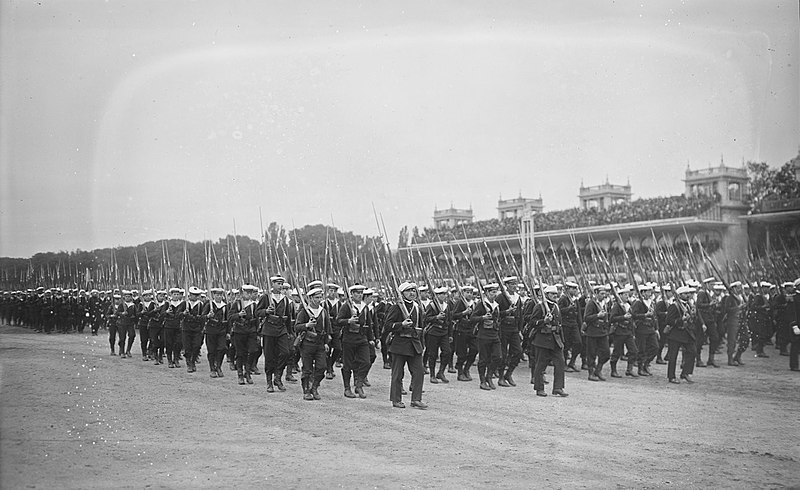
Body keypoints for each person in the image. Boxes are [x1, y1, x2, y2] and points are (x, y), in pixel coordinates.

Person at [384, 282, 427, 409]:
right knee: (398, 374)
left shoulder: (417, 307)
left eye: (413, 291)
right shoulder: (396, 307)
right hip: (400, 344)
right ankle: (396, 399)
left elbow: (421, 327)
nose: (412, 293)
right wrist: (401, 324)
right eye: (408, 291)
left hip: (414, 344)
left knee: (419, 372)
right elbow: (387, 326)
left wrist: (422, 345)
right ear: (402, 294)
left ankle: (416, 399)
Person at [256, 275, 293, 392]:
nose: (280, 286)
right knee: (269, 356)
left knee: (285, 353)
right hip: (269, 329)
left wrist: (290, 331)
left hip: (281, 329)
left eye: (281, 284)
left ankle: (278, 376)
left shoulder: (285, 299)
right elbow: (257, 312)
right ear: (272, 284)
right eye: (278, 283)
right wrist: (266, 311)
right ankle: (269, 381)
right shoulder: (266, 297)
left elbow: (289, 316)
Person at [336, 284, 374, 398]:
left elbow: (369, 324)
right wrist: (348, 321)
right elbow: (338, 321)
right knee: (347, 364)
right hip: (349, 338)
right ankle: (347, 388)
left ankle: (359, 384)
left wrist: (371, 339)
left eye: (361, 293)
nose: (359, 295)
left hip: (362, 338)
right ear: (351, 294)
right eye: (357, 293)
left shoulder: (365, 307)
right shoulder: (346, 306)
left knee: (366, 362)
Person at [294, 286, 332, 400]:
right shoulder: (304, 311)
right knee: (307, 369)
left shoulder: (323, 311)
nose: (319, 299)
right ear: (310, 298)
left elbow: (328, 329)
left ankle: (314, 387)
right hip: (307, 344)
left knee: (322, 367)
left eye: (320, 297)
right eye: (316, 297)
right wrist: (307, 325)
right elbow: (296, 327)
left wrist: (326, 343)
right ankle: (306, 390)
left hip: (320, 343)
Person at [529, 285, 568, 397]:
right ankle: (539, 388)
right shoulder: (539, 306)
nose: (555, 296)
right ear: (546, 295)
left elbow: (559, 325)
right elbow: (533, 322)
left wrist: (562, 341)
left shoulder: (556, 306)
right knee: (541, 365)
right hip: (543, 339)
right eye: (552, 294)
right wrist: (544, 321)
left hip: (555, 339)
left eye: (556, 294)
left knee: (560, 363)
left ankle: (558, 387)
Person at [471, 283, 502, 391]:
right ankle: (482, 380)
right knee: (483, 359)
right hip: (483, 335)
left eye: (496, 292)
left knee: (498, 357)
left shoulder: (496, 305)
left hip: (494, 334)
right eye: (493, 292)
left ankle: (489, 376)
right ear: (487, 293)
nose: (495, 294)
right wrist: (482, 317)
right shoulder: (481, 304)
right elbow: (472, 318)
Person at [665, 285, 699, 384]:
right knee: (673, 356)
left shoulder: (688, 305)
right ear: (679, 295)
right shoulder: (674, 306)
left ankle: (686, 373)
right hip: (676, 334)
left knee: (692, 351)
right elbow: (669, 320)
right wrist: (681, 320)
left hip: (686, 333)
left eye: (688, 293)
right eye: (685, 294)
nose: (688, 295)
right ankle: (671, 377)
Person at [228, 284, 260, 385]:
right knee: (240, 353)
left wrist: (258, 332)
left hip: (251, 331)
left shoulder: (254, 305)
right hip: (239, 331)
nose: (249, 295)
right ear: (242, 293)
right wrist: (238, 315)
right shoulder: (237, 304)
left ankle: (248, 371)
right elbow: (230, 317)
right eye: (247, 292)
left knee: (253, 351)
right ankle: (240, 374)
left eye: (250, 293)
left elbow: (257, 318)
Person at [496, 277, 523, 387]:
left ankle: (509, 373)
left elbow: (520, 315)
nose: (514, 286)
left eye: (515, 284)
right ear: (506, 285)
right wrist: (506, 312)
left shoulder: (518, 298)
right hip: (503, 328)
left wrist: (520, 329)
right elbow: (495, 313)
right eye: (512, 284)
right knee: (503, 353)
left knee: (518, 352)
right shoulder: (501, 297)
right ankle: (501, 377)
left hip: (514, 328)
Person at [424, 286, 452, 384]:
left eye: (445, 294)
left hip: (444, 332)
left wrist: (450, 334)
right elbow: (426, 319)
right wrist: (436, 317)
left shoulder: (446, 306)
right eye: (441, 294)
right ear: (437, 295)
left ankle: (441, 372)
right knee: (433, 354)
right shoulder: (431, 305)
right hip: (433, 332)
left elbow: (449, 321)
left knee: (447, 352)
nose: (444, 296)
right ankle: (432, 374)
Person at [608, 287, 639, 378]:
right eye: (625, 294)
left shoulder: (629, 305)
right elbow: (612, 319)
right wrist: (623, 317)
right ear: (620, 295)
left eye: (627, 294)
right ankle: (613, 371)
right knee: (617, 352)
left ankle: (629, 369)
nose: (627, 296)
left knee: (634, 351)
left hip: (628, 332)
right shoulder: (617, 306)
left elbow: (632, 320)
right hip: (619, 331)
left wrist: (632, 333)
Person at [583, 285, 611, 381]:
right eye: (601, 293)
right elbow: (586, 318)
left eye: (604, 293)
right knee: (591, 354)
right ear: (596, 294)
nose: (604, 295)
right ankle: (591, 373)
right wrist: (597, 315)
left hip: (602, 332)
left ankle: (598, 370)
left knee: (606, 353)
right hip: (592, 332)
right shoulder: (591, 303)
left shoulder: (604, 304)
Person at [452, 285, 478, 381]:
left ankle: (466, 368)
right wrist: (464, 313)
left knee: (474, 350)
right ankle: (460, 372)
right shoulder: (460, 302)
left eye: (471, 293)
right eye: (467, 292)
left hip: (471, 330)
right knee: (462, 353)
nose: (470, 294)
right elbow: (453, 316)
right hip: (461, 330)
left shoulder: (474, 304)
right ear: (463, 293)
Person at [631, 285, 658, 376]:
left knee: (655, 347)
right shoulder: (638, 303)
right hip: (641, 328)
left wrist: (656, 328)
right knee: (641, 349)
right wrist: (644, 315)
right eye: (647, 292)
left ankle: (646, 363)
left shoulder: (652, 302)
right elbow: (633, 315)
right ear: (642, 293)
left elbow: (655, 316)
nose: (649, 294)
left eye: (650, 292)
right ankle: (640, 367)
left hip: (650, 328)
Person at [558, 282, 583, 372]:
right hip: (565, 324)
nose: (575, 290)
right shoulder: (563, 299)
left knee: (579, 343)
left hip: (574, 324)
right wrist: (568, 308)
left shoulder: (575, 299)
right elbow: (559, 311)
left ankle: (572, 362)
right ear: (568, 289)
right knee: (566, 344)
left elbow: (578, 313)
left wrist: (581, 325)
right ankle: (564, 364)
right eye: (573, 289)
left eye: (576, 289)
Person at [182, 286, 207, 373]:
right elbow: (178, 315)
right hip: (186, 328)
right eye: (193, 295)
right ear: (189, 295)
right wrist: (183, 313)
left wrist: (202, 327)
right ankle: (189, 362)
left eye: (197, 295)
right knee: (187, 346)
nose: (195, 297)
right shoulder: (184, 304)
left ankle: (193, 360)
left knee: (196, 345)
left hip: (197, 328)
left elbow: (203, 316)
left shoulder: (201, 305)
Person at [205, 287, 229, 378]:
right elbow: (203, 316)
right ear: (213, 296)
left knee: (222, 348)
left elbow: (227, 319)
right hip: (211, 330)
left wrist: (228, 332)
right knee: (211, 350)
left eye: (220, 295)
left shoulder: (225, 306)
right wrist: (208, 316)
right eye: (217, 295)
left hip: (221, 330)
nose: (219, 297)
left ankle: (218, 366)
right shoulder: (209, 305)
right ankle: (212, 368)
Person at [162, 288, 186, 369]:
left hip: (178, 326)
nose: (176, 296)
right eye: (174, 294)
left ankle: (176, 359)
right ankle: (169, 360)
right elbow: (161, 314)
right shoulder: (167, 303)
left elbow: (183, 314)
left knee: (178, 343)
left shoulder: (182, 304)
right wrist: (166, 312)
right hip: (169, 325)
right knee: (169, 343)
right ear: (171, 295)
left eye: (177, 294)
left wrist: (184, 313)